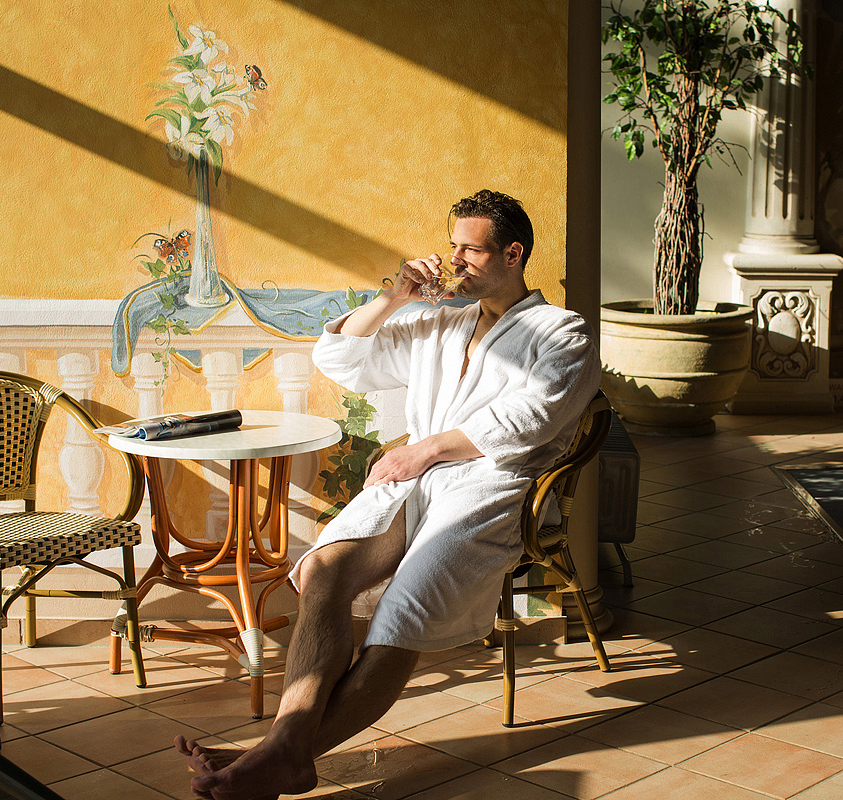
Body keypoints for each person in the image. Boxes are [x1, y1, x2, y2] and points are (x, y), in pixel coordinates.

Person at [175, 189, 601, 800]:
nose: (455, 261)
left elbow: (529, 420)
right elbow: (341, 360)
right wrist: (393, 297)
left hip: (491, 489)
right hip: (414, 481)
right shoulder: (440, 321)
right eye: (452, 246)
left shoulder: (561, 332)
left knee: (400, 614)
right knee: (323, 568)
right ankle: (280, 755)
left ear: (513, 254)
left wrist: (422, 451)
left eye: (471, 249)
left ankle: (274, 756)